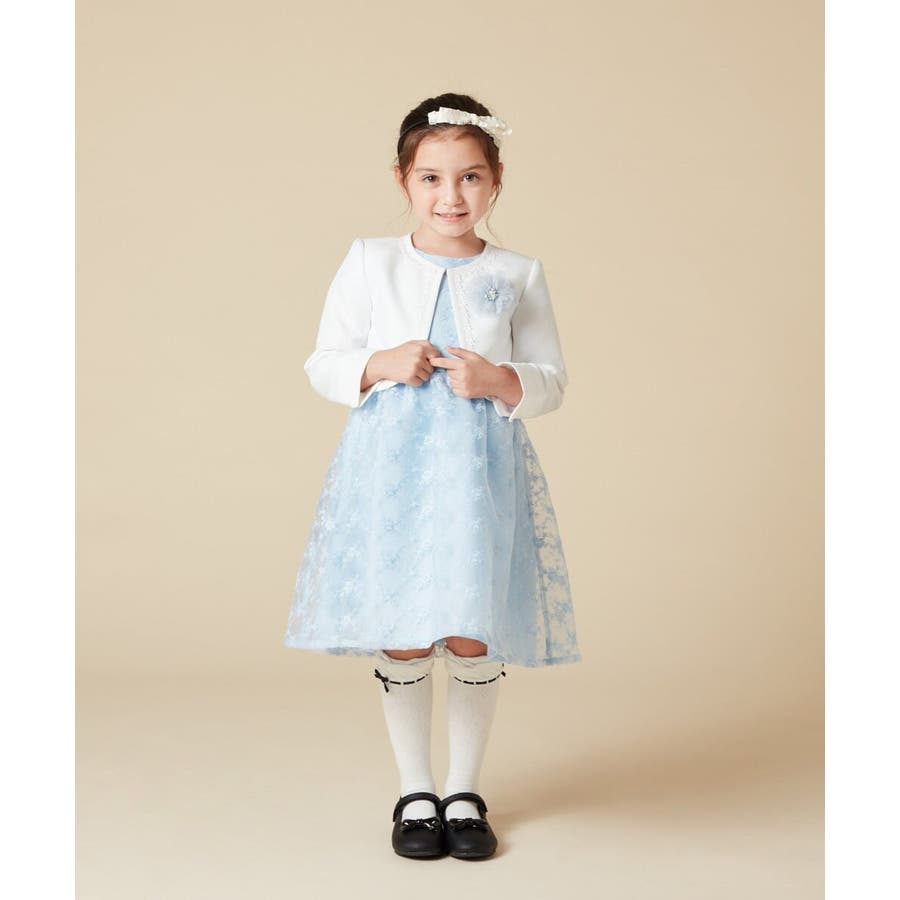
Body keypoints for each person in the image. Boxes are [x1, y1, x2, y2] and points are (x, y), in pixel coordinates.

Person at [284, 92, 581, 860]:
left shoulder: (517, 272)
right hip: (393, 471)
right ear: (403, 180)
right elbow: (324, 361)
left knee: (471, 627)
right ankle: (416, 791)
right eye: (432, 178)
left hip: (478, 473)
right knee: (407, 629)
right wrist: (380, 363)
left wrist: (499, 379)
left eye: (471, 177)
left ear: (496, 180)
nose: (452, 196)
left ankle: (465, 791)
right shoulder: (371, 261)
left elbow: (550, 378)